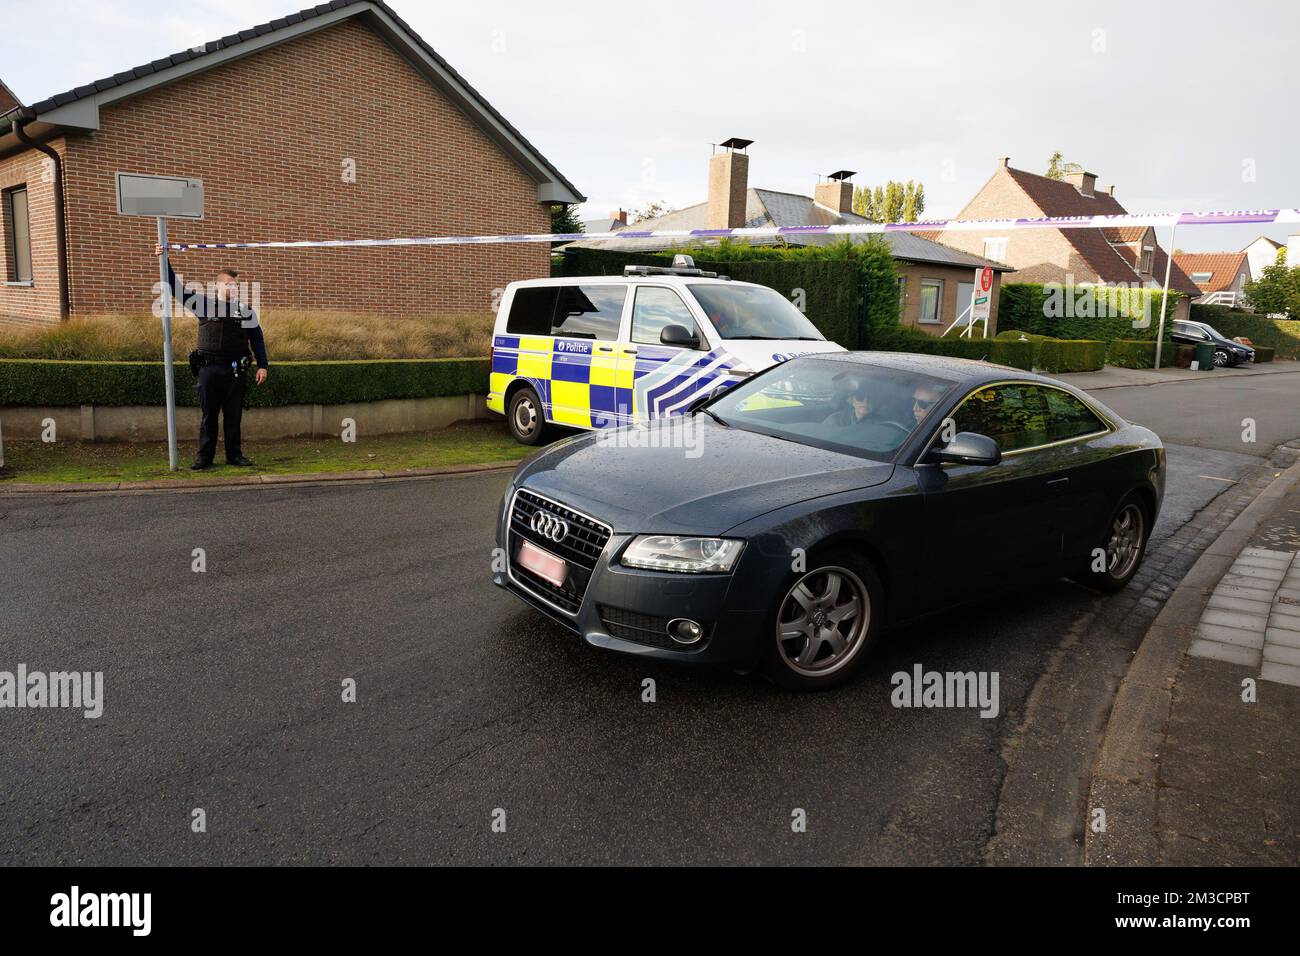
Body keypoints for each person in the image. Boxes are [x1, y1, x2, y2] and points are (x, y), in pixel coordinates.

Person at [154, 244, 268, 469]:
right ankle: (204, 458)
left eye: (235, 285)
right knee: (209, 417)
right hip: (209, 370)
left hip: (235, 370)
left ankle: (234, 455)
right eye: (228, 284)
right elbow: (176, 289)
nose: (233, 287)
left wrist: (263, 365)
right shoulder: (203, 304)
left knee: (233, 416)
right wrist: (164, 258)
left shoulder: (246, 311)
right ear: (217, 285)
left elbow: (257, 340)